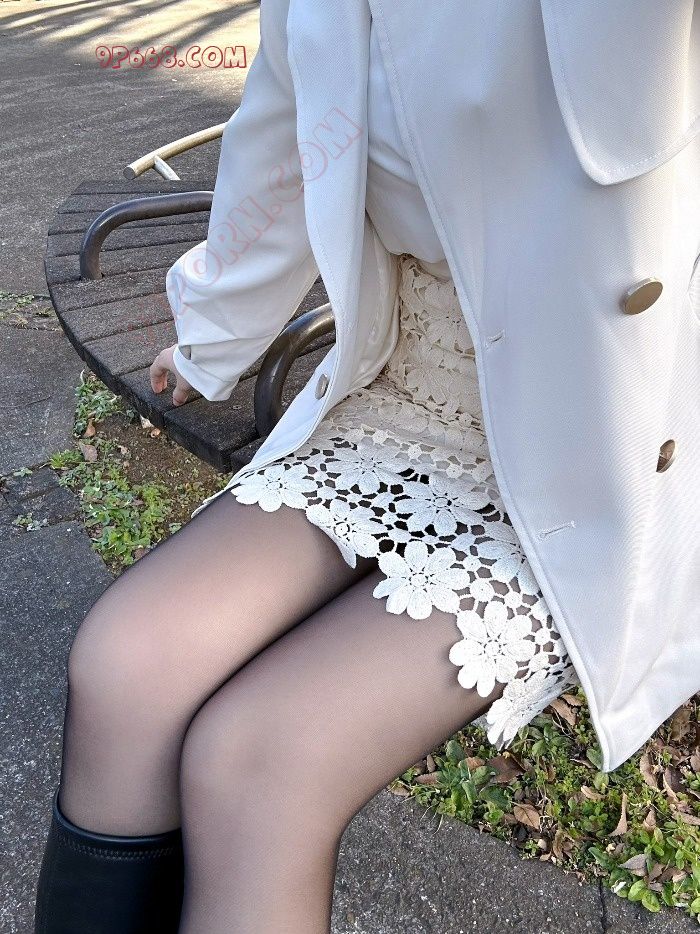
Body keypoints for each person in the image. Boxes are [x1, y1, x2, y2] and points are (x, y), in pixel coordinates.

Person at [34, 0, 700, 931]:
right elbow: (284, 148)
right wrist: (209, 337)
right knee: (127, 664)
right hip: (408, 397)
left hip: (609, 439)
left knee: (260, 761)